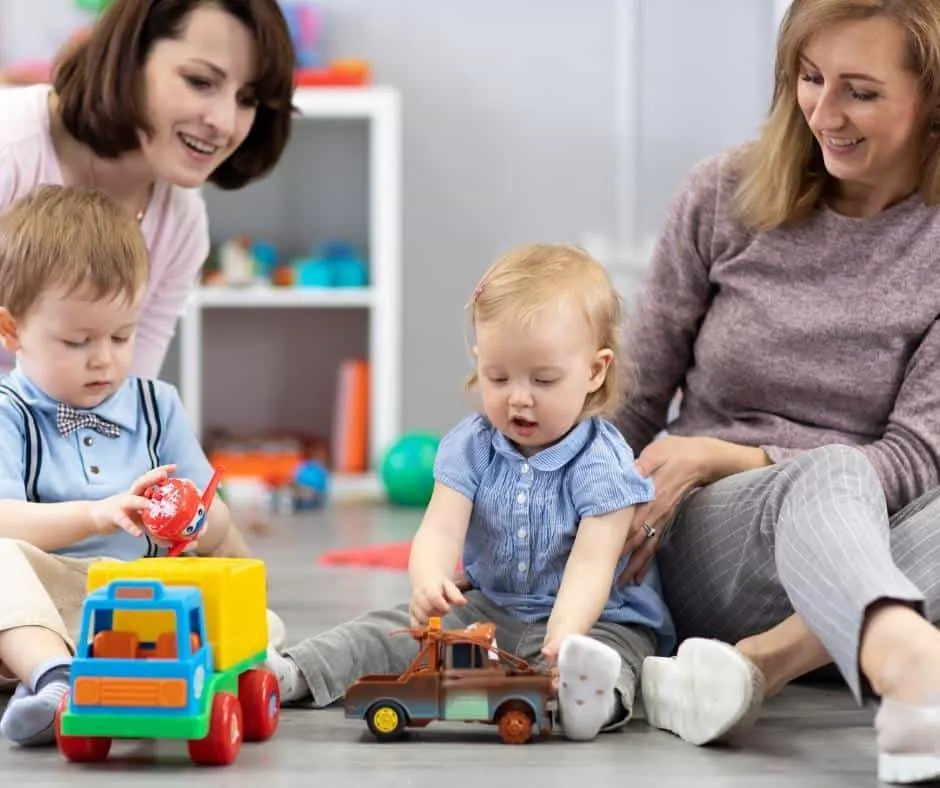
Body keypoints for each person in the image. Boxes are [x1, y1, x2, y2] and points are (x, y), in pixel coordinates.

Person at [614, 0, 940, 783]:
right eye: (809, 77)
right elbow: (630, 403)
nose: (825, 113)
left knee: (846, 478)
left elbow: (914, 456)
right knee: (832, 475)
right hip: (712, 536)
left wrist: (733, 452)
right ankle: (911, 667)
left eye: (860, 90)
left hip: (872, 538)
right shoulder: (723, 194)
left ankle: (764, 665)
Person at [264, 243, 674, 741]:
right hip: (489, 609)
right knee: (387, 630)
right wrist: (428, 580)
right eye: (497, 377)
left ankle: (590, 701)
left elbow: (592, 563)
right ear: (479, 361)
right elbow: (440, 526)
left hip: (595, 617)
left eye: (543, 380)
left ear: (594, 370)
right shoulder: (472, 445)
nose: (518, 397)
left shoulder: (602, 460)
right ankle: (294, 673)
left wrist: (565, 630)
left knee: (615, 654)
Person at [0, 184, 259, 747]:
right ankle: (55, 678)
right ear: (12, 330)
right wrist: (95, 515)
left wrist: (198, 524)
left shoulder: (154, 403)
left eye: (122, 335)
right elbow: (4, 520)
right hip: (48, 598)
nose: (104, 358)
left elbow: (211, 513)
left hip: (148, 599)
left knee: (241, 601)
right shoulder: (9, 411)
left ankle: (262, 660)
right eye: (77, 340)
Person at [0, 0, 296, 379]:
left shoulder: (181, 225)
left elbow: (126, 399)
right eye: (200, 82)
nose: (223, 123)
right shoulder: (10, 150)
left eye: (247, 99)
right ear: (130, 59)